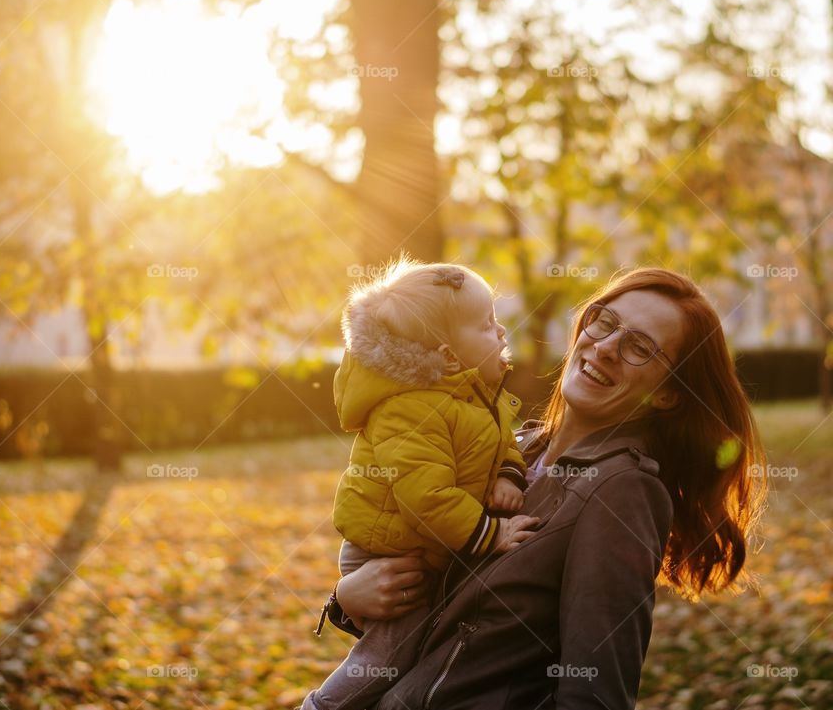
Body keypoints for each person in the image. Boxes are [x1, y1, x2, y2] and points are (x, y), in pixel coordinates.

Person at [319, 267, 767, 710]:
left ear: (667, 394)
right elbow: (430, 629)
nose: (606, 346)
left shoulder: (622, 491)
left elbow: (595, 692)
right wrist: (347, 597)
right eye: (605, 321)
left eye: (639, 348)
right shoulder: (511, 449)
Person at [299, 260, 532, 710]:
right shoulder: (410, 410)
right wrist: (494, 532)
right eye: (487, 326)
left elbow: (505, 442)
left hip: (428, 538)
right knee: (388, 655)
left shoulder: (476, 398)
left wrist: (507, 474)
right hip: (386, 549)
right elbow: (424, 497)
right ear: (448, 355)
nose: (502, 332)